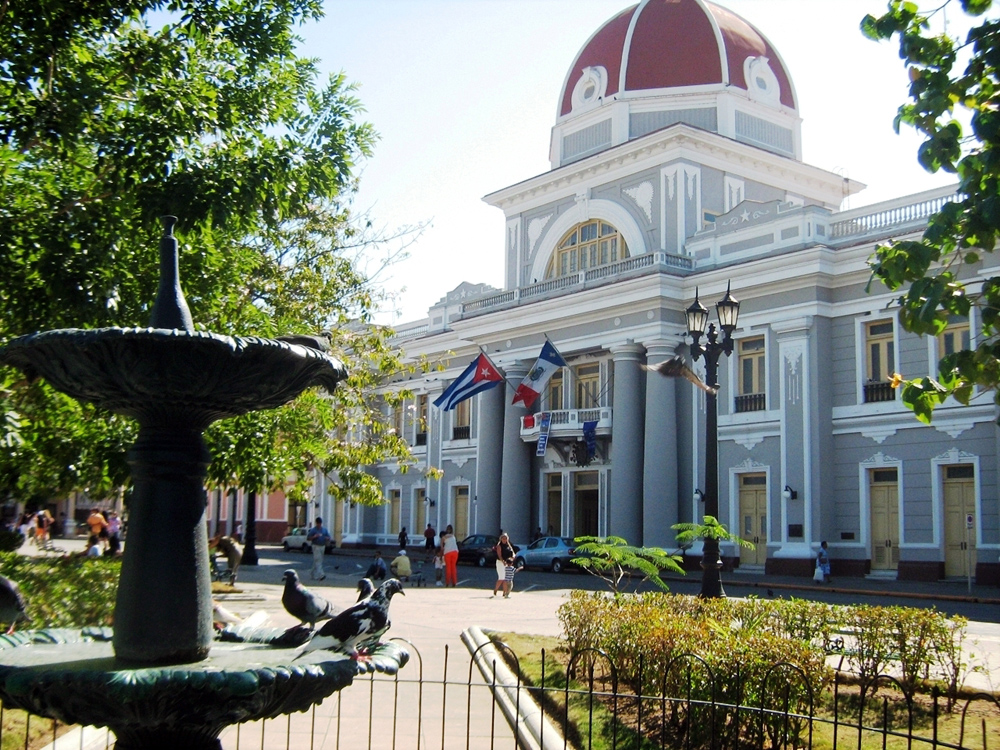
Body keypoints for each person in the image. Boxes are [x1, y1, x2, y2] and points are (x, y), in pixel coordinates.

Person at [493, 532, 515, 597]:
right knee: (501, 578)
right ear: (501, 539)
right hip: (500, 562)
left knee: (506, 578)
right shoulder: (499, 546)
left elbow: (513, 553)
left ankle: (504, 592)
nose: (504, 539)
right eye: (503, 538)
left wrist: (512, 559)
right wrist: (503, 561)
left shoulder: (509, 546)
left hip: (507, 563)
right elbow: (499, 555)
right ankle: (495, 590)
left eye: (505, 538)